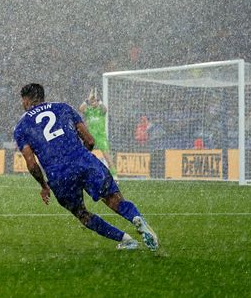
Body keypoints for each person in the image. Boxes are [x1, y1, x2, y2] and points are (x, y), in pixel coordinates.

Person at [14, 83, 159, 251]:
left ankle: (125, 239)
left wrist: (44, 185)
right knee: (113, 199)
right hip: (83, 160)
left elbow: (31, 164)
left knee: (82, 213)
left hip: (58, 174)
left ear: (26, 100)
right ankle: (136, 218)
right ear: (42, 97)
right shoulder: (63, 108)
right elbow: (90, 140)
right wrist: (81, 158)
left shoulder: (22, 126)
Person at [79, 89, 116, 176]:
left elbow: (105, 109)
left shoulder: (100, 111)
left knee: (107, 157)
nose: (93, 103)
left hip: (101, 136)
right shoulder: (89, 111)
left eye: (95, 101)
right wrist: (87, 100)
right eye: (92, 102)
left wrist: (99, 101)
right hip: (91, 136)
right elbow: (81, 109)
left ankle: (114, 176)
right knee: (85, 155)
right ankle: (82, 173)